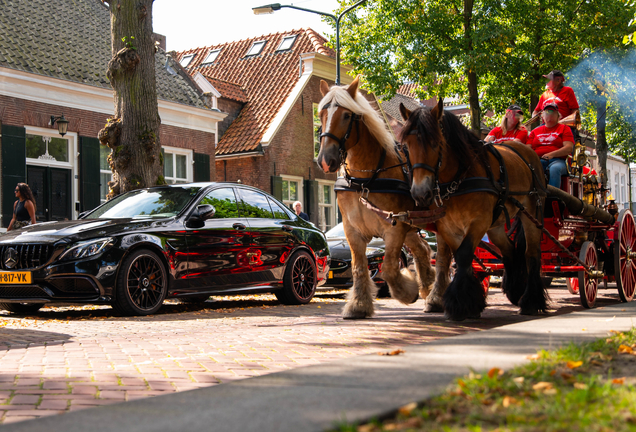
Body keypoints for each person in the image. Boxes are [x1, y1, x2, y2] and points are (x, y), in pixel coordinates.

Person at [526, 102, 574, 188]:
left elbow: (568, 148)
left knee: (555, 169)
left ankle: (553, 197)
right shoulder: (535, 131)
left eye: (553, 113)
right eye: (547, 113)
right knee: (529, 168)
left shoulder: (564, 128)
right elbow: (527, 149)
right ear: (542, 116)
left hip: (559, 161)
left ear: (558, 116)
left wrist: (552, 154)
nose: (550, 116)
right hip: (538, 160)